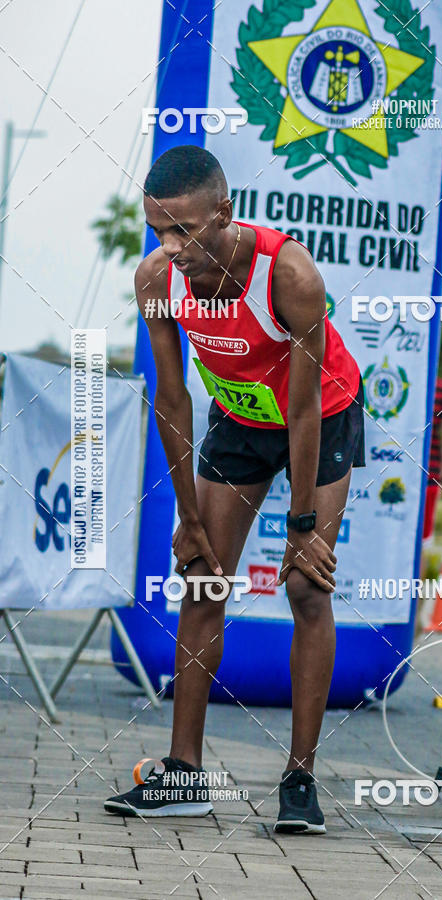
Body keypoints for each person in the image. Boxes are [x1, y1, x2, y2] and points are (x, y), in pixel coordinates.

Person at [104, 145, 365, 834]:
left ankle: (300, 780)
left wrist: (303, 525)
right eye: (158, 229)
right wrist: (189, 519)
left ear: (224, 212)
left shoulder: (290, 274)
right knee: (202, 580)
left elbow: (305, 411)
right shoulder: (158, 279)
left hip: (321, 416)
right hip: (242, 417)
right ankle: (184, 773)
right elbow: (171, 398)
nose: (171, 246)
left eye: (184, 230)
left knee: (308, 588)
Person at [414, 376, 442, 638]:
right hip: (427, 480)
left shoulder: (406, 379)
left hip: (393, 477)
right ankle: (414, 614)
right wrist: (438, 475)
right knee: (421, 547)